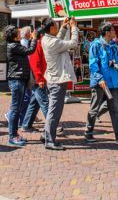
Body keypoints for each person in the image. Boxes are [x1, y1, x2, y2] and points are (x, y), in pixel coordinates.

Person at [85, 22, 118, 144]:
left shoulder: (113, 47)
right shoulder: (96, 45)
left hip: (113, 84)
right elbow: (93, 64)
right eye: (113, 30)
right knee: (94, 108)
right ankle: (88, 133)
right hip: (100, 84)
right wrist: (99, 79)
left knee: (115, 109)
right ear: (108, 32)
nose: (115, 32)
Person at [40, 17, 79, 151]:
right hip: (57, 81)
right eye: (56, 26)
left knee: (53, 109)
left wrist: (64, 27)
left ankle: (46, 134)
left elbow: (58, 38)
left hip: (53, 79)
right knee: (54, 111)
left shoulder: (46, 39)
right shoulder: (53, 43)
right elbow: (73, 42)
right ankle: (49, 139)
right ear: (51, 28)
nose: (57, 27)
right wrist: (74, 27)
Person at [5, 25, 37, 147]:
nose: (20, 35)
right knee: (15, 109)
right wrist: (34, 39)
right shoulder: (13, 46)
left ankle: (15, 134)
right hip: (16, 80)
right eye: (18, 33)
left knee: (17, 108)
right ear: (14, 36)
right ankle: (12, 136)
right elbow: (30, 51)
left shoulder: (14, 45)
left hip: (20, 79)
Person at [22, 27, 50, 133]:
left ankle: (26, 125)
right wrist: (40, 79)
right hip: (37, 79)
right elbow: (35, 63)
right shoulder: (37, 45)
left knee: (35, 103)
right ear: (42, 36)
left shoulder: (40, 44)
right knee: (45, 102)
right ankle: (52, 126)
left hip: (39, 78)